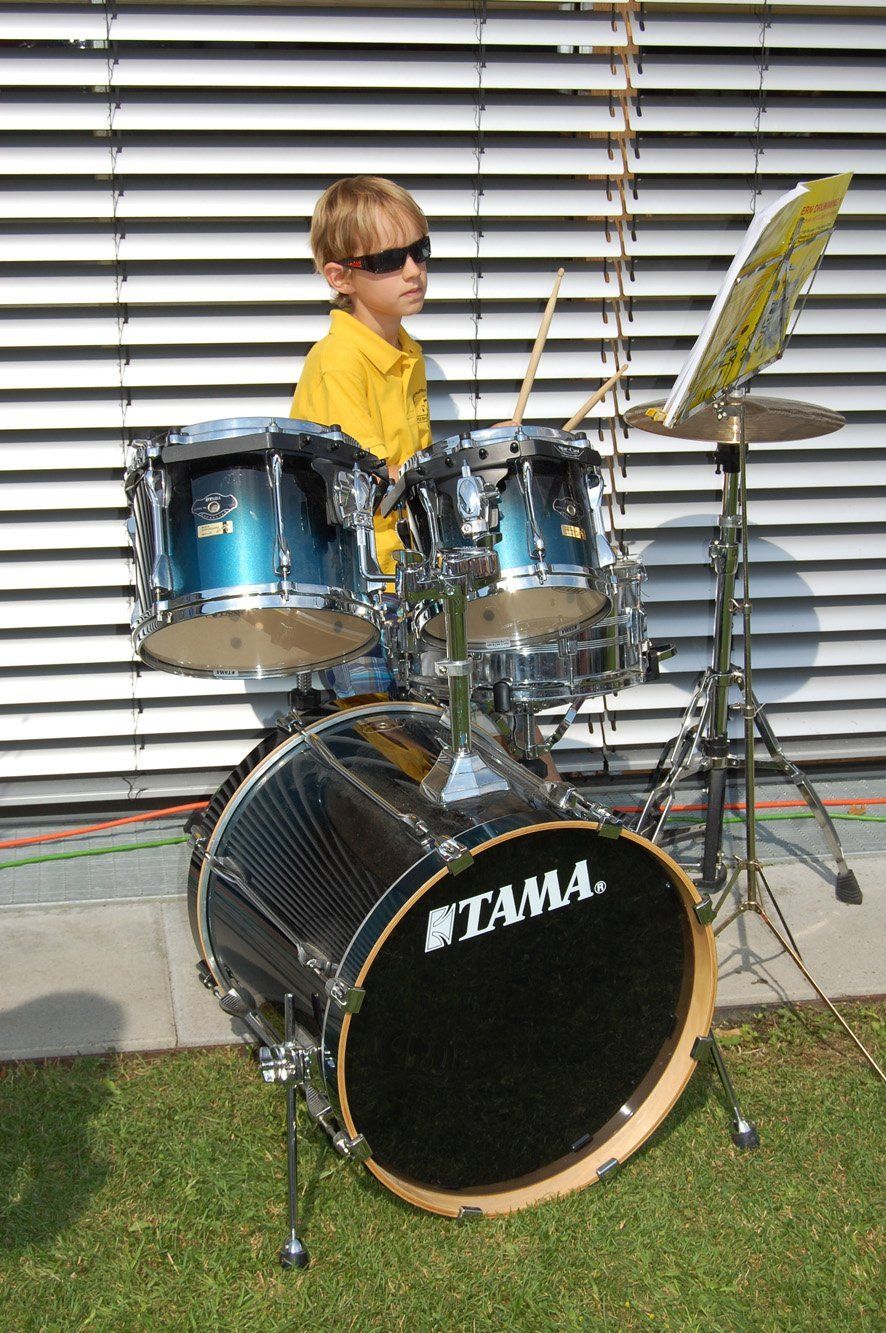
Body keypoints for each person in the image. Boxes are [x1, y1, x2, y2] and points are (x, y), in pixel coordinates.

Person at [291, 175, 431, 699]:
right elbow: (371, 481)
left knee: (464, 719)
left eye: (420, 251)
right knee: (382, 728)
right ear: (340, 276)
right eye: (388, 260)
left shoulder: (407, 353)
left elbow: (413, 465)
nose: (413, 270)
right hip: (359, 588)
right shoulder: (339, 362)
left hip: (406, 577)